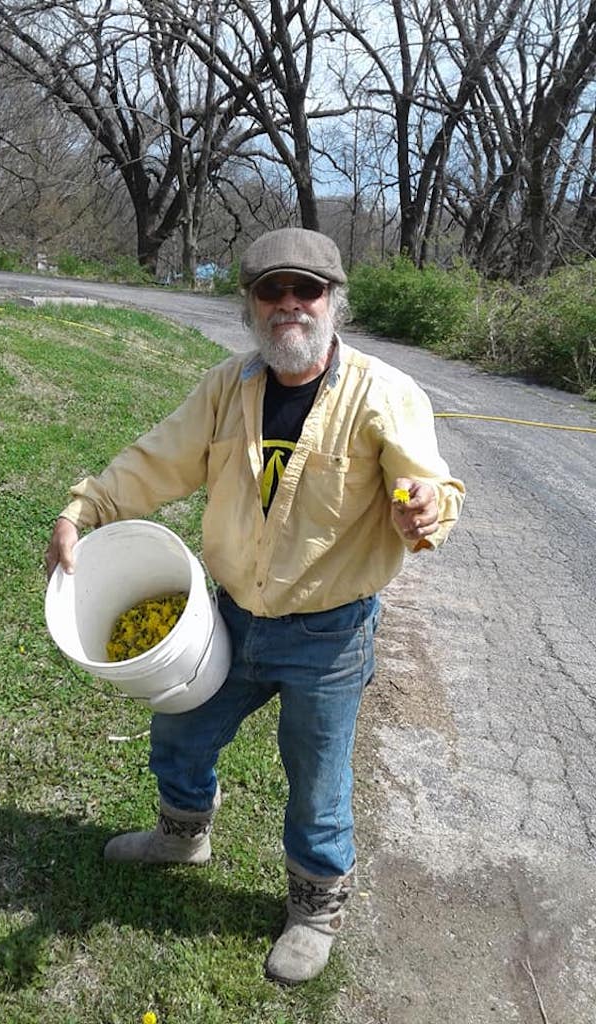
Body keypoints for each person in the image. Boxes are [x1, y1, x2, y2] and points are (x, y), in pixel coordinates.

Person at [45, 228, 465, 985]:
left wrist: (425, 509)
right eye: (272, 291)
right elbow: (155, 460)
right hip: (231, 617)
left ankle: (315, 907)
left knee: (317, 778)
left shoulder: (384, 392)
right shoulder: (227, 388)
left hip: (330, 636)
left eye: (307, 290)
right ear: (249, 305)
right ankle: (182, 834)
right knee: (180, 729)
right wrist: (85, 508)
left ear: (335, 301)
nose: (289, 306)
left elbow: (429, 484)